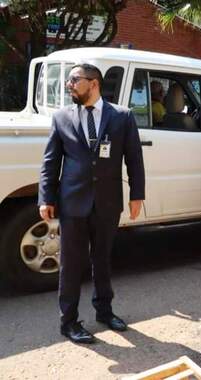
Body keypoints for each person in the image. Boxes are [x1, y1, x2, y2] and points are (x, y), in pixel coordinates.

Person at [38, 63, 145, 344]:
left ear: (93, 83)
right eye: (69, 81)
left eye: (74, 80)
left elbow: (134, 158)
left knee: (103, 260)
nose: (69, 85)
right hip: (72, 202)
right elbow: (51, 161)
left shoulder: (122, 116)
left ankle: (105, 311)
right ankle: (69, 321)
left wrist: (137, 195)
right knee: (72, 264)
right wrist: (46, 197)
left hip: (108, 202)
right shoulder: (62, 117)